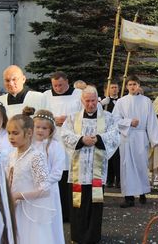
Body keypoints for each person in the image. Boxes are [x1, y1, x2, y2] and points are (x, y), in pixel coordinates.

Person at [61, 85, 119, 243]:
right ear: (82, 101)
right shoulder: (73, 118)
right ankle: (78, 236)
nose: (91, 104)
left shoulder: (107, 117)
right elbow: (64, 134)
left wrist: (98, 139)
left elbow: (115, 135)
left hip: (97, 172)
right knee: (77, 204)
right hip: (78, 172)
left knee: (95, 204)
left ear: (97, 100)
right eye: (87, 101)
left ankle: (93, 237)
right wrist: (81, 140)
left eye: (93, 100)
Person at [112, 75, 158, 208]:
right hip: (127, 137)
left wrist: (155, 139)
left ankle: (142, 192)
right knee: (127, 167)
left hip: (141, 137)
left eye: (134, 84)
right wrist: (129, 122)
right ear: (127, 86)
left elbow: (152, 120)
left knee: (141, 165)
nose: (132, 87)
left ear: (138, 85)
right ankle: (128, 197)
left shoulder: (146, 101)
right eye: (130, 84)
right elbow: (114, 120)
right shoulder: (121, 102)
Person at [7, 109, 55, 244]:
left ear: (29, 133)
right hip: (13, 208)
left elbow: (45, 189)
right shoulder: (12, 155)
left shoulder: (36, 156)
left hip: (29, 211)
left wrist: (18, 195)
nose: (11, 137)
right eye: (9, 133)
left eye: (15, 133)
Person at [42, 71, 82, 222]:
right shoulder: (46, 96)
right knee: (55, 175)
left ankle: (71, 213)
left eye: (60, 85)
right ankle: (57, 212)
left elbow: (85, 114)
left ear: (67, 82)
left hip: (71, 141)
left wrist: (69, 119)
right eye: (55, 85)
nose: (57, 88)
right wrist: (52, 120)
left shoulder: (78, 94)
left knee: (70, 177)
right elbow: (40, 115)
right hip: (53, 139)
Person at [32, 109, 65, 244]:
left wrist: (43, 183)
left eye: (44, 128)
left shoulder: (55, 147)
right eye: (37, 127)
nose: (40, 130)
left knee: (49, 221)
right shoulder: (29, 145)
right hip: (31, 190)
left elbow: (57, 172)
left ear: (51, 130)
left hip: (49, 191)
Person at [100, 81, 121, 188]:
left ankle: (119, 179)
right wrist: (102, 104)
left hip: (118, 131)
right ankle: (109, 179)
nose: (113, 89)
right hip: (106, 131)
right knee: (108, 156)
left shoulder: (121, 101)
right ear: (107, 89)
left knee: (117, 156)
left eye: (115, 87)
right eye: (111, 87)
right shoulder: (103, 102)